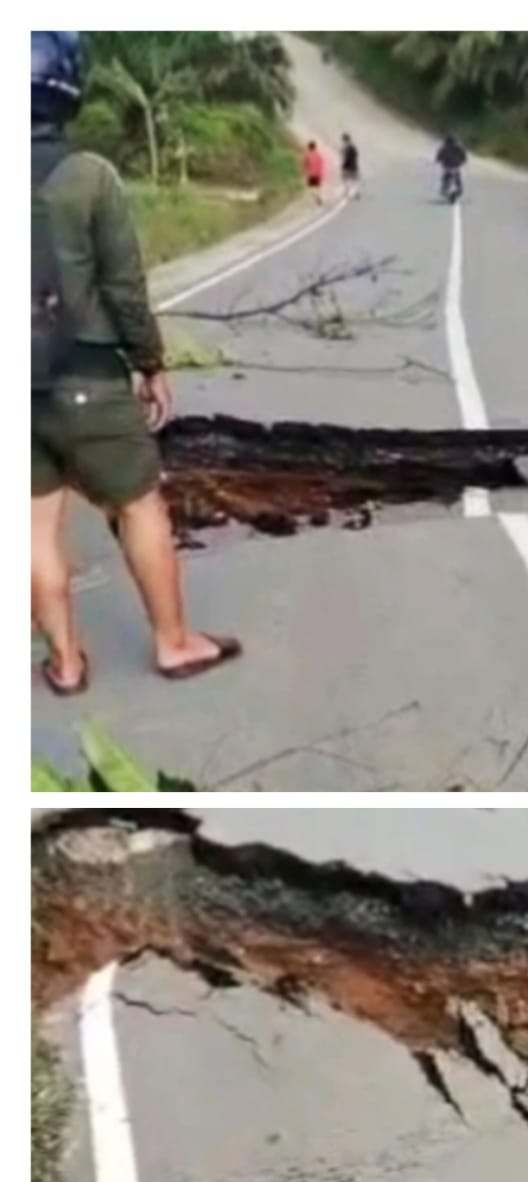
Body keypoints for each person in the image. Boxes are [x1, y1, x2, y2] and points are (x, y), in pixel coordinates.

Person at [30, 30, 240, 695]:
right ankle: (174, 643)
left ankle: (65, 663)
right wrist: (151, 361)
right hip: (87, 375)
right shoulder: (91, 175)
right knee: (140, 504)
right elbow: (123, 285)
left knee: (33, 522)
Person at [339, 133, 361, 199]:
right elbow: (356, 155)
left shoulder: (344, 148)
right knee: (355, 180)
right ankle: (355, 192)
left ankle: (349, 193)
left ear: (344, 140)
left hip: (347, 166)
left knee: (346, 180)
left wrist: (343, 166)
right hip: (354, 166)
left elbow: (344, 157)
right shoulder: (354, 147)